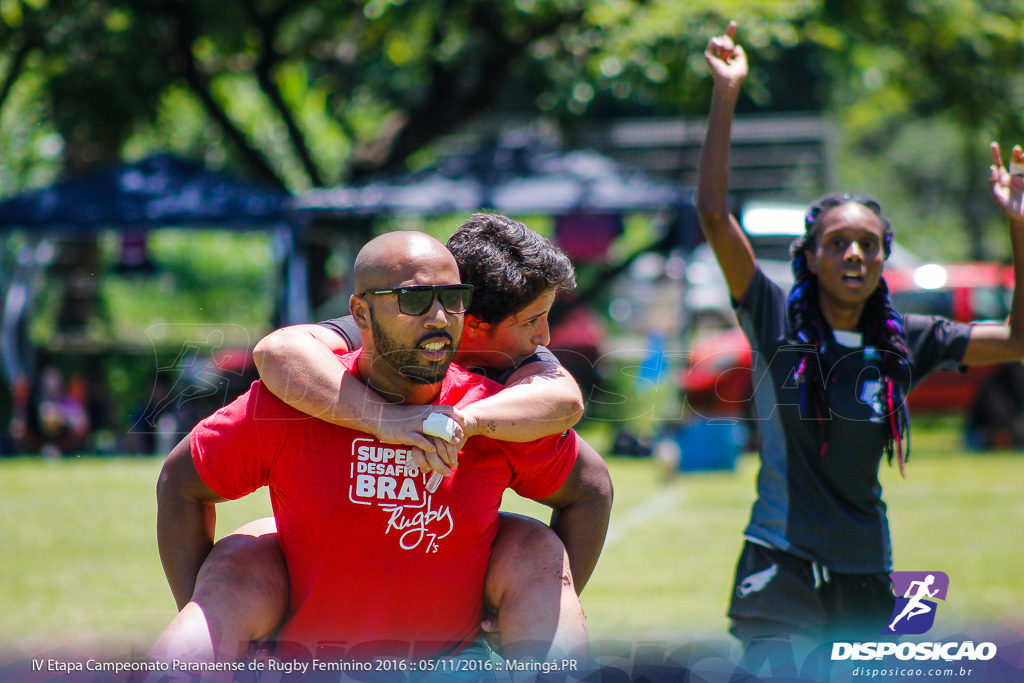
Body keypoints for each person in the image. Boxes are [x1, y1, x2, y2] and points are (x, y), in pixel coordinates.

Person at [698, 21, 1024, 654]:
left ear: (883, 259)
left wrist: (1018, 227)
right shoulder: (775, 320)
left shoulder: (909, 341)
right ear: (811, 257)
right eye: (838, 242)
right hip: (779, 564)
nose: (854, 254)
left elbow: (1017, 339)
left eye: (868, 245)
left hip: (866, 571)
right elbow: (713, 215)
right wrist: (726, 94)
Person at [154, 230, 611, 666]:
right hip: (306, 665)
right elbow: (184, 479)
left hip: (448, 663)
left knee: (535, 546)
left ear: (468, 314)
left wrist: (464, 423)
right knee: (240, 557)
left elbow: (587, 478)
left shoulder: (498, 410)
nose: (438, 316)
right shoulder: (300, 395)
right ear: (360, 313)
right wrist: (212, 618)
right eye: (414, 300)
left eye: (453, 298)